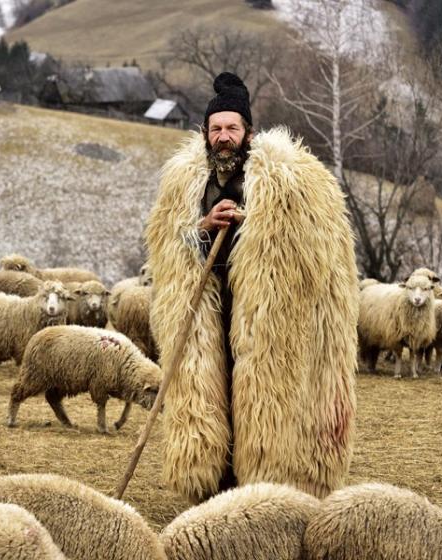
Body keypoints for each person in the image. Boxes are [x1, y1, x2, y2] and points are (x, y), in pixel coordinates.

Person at [145, 72, 358, 502]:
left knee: (267, 406)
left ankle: (270, 491)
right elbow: (169, 247)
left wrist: (260, 228)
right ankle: (217, 492)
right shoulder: (185, 185)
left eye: (232, 129)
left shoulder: (290, 180)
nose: (224, 137)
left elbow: (318, 249)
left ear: (248, 133)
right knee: (212, 401)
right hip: (209, 316)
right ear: (206, 135)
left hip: (268, 318)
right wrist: (203, 227)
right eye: (216, 129)